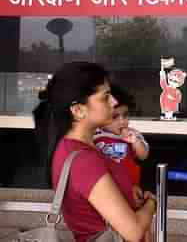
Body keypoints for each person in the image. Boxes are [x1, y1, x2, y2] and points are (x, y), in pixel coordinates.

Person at [33, 62, 156, 242]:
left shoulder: (70, 147)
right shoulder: (84, 160)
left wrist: (129, 193)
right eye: (105, 97)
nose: (113, 102)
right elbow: (133, 232)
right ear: (78, 110)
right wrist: (152, 203)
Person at [94, 84, 150, 189]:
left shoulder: (131, 134)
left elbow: (143, 155)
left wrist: (136, 142)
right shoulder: (95, 135)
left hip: (131, 187)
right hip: (108, 188)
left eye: (125, 115)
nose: (122, 121)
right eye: (115, 117)